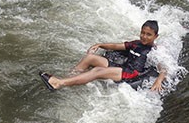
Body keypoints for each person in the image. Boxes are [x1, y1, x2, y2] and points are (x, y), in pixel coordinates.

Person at [39, 20, 167, 93]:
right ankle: (69, 78)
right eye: (142, 33)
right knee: (90, 58)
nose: (144, 36)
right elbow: (116, 46)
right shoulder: (136, 43)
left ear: (156, 36)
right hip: (123, 67)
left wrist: (159, 80)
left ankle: (59, 83)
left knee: (97, 71)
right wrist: (100, 45)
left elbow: (163, 68)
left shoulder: (154, 50)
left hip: (131, 74)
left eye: (148, 34)